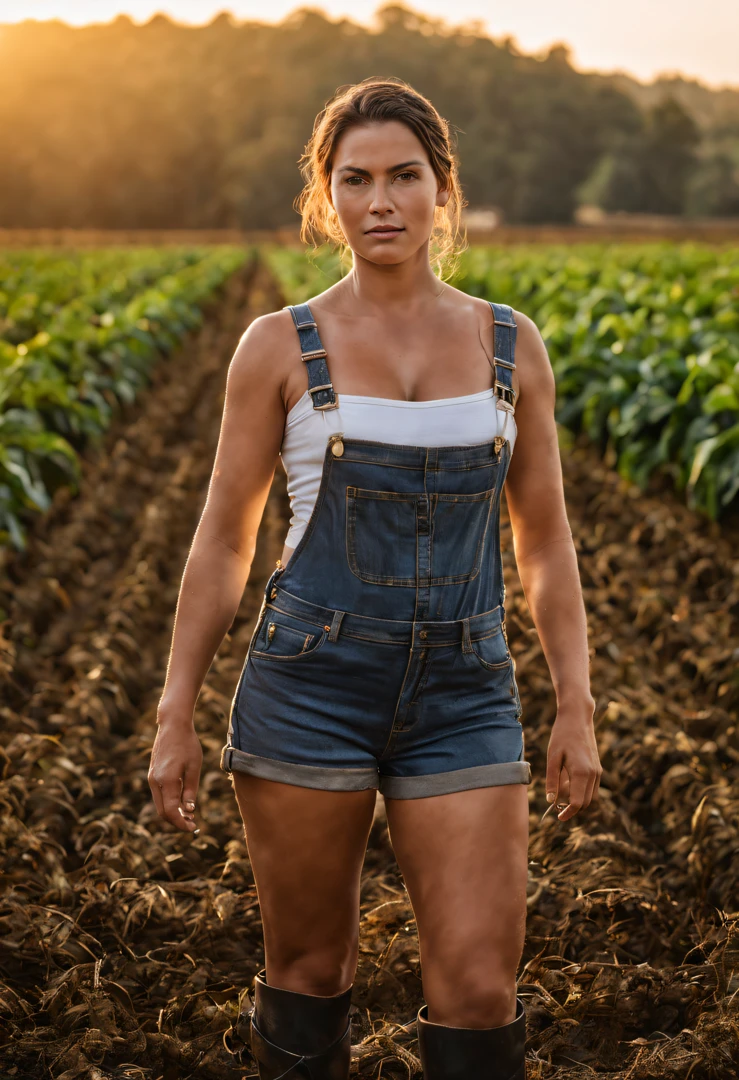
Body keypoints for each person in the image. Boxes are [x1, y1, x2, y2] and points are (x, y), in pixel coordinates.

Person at [148, 76, 602, 1080]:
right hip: (308, 689)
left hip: (465, 692)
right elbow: (224, 539)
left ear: (444, 190)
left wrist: (574, 701)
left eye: (404, 177)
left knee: (479, 990)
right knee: (309, 970)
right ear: (325, 196)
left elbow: (545, 541)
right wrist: (176, 709)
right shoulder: (277, 347)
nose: (381, 202)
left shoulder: (507, 344)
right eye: (355, 180)